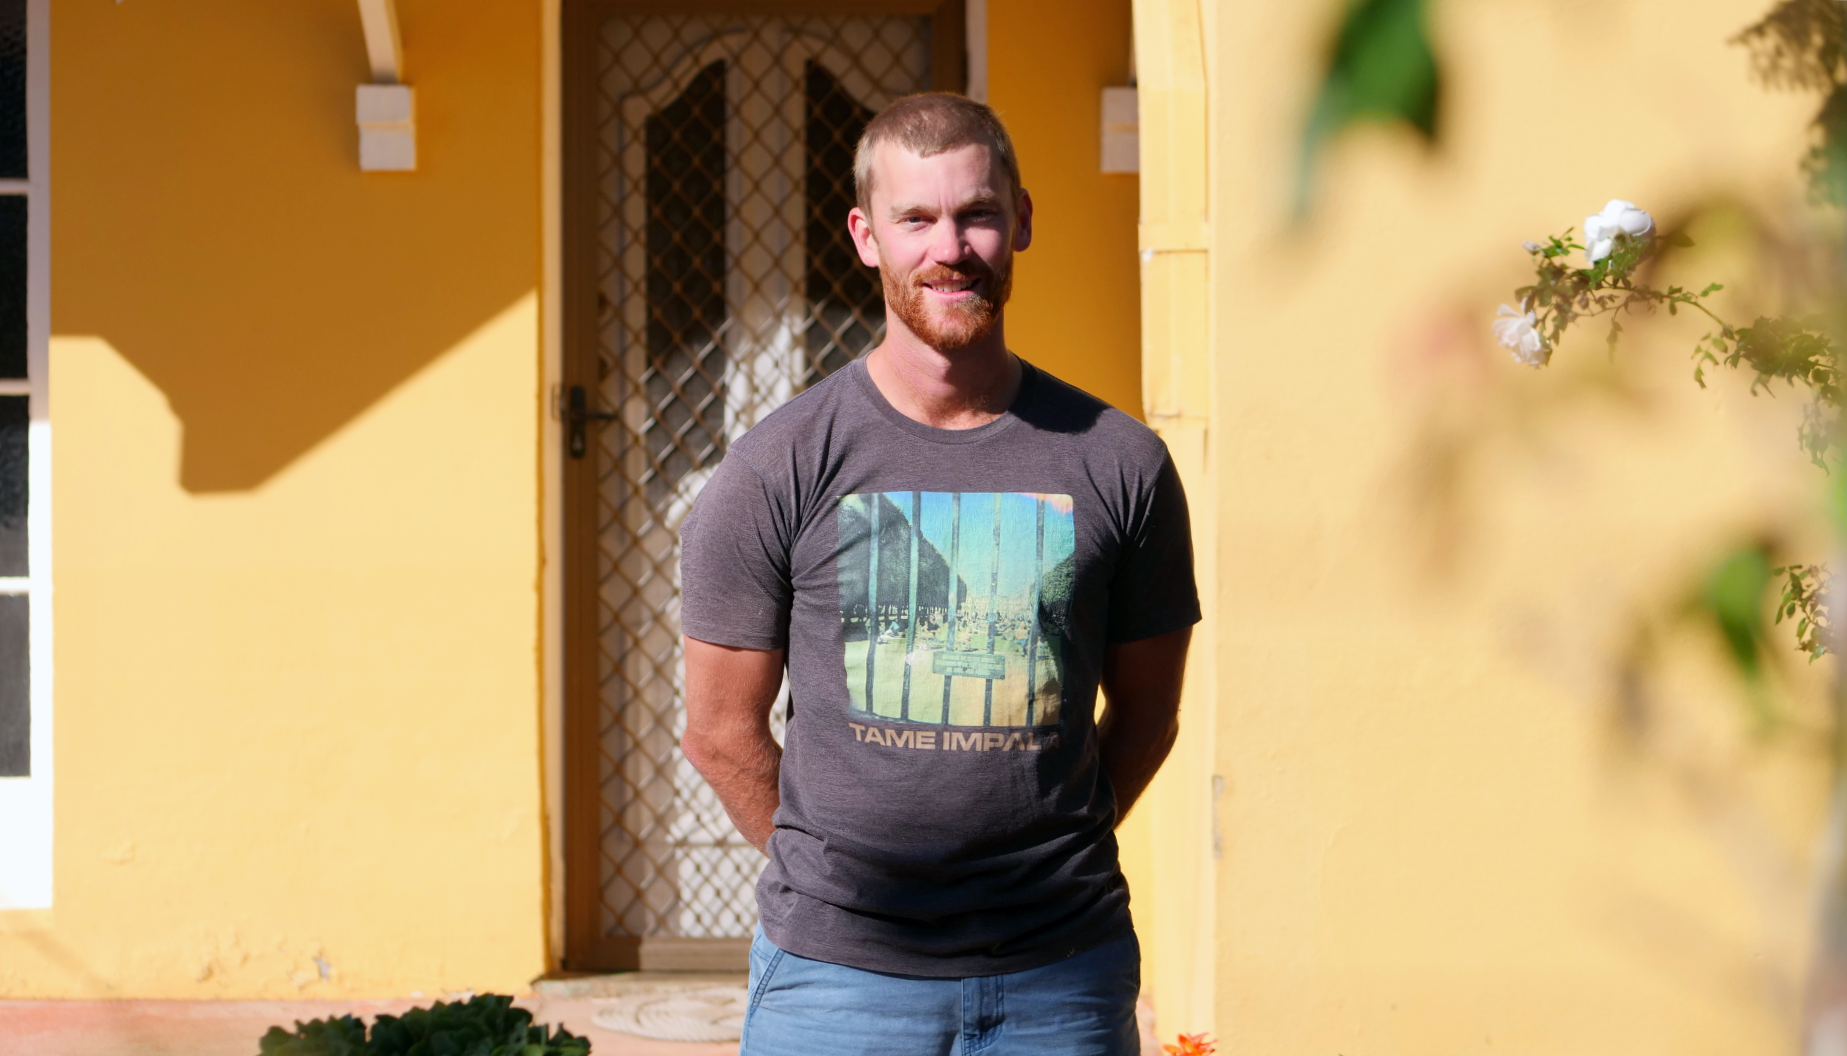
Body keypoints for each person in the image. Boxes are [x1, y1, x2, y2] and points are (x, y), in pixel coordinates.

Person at [678, 91, 1199, 1056]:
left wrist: (1046, 850)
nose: (948, 246)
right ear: (865, 236)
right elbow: (717, 731)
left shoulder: (1120, 463)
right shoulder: (777, 466)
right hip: (836, 985)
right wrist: (831, 879)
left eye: (977, 213)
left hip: (1061, 978)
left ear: (1023, 221)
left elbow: (1148, 716)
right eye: (915, 219)